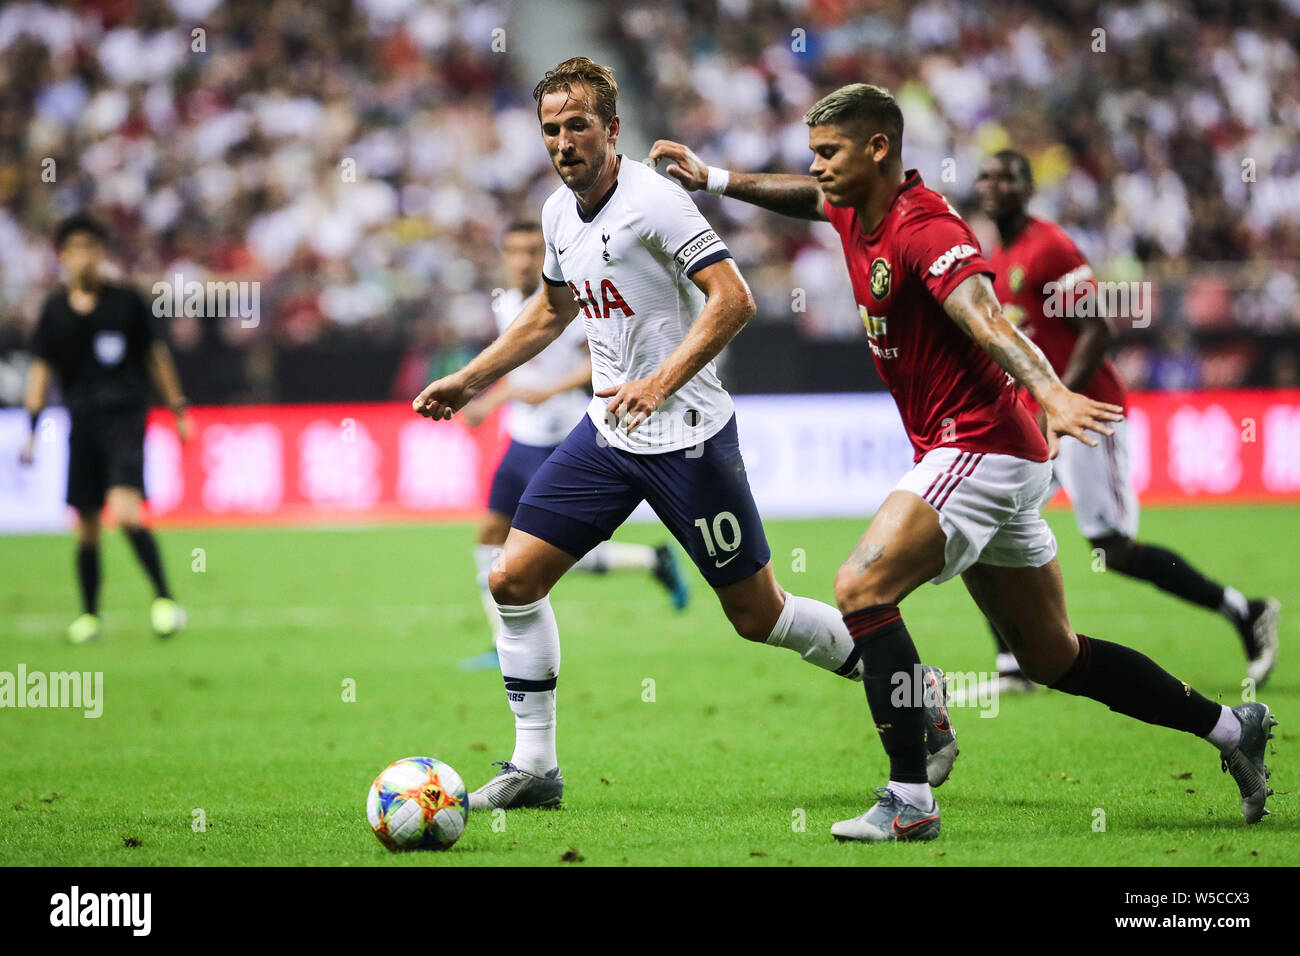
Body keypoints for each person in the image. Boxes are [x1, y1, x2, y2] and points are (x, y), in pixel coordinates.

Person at [649, 82, 1276, 842]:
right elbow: (804, 199)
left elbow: (982, 316)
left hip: (979, 440)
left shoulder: (924, 228)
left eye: (829, 152)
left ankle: (910, 793)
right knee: (1054, 655)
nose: (816, 169)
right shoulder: (851, 203)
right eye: (813, 154)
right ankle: (1232, 729)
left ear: (879, 148)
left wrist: (1050, 390)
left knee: (860, 586)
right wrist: (713, 179)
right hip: (994, 455)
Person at [414, 59, 957, 811]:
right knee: (510, 578)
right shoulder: (556, 216)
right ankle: (534, 767)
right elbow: (550, 310)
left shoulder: (655, 203)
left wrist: (660, 381)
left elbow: (734, 300)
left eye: (578, 126)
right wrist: (470, 379)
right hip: (607, 433)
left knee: (757, 615)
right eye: (550, 130)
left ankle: (906, 683)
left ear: (612, 129)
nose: (563, 142)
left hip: (688, 437)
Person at [965, 149, 1279, 697]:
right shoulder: (1003, 253)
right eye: (986, 176)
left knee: (1110, 546)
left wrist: (1059, 400)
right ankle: (1014, 669)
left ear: (1027, 187)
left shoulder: (1050, 247)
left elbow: (1098, 330)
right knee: (991, 525)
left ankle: (1245, 611)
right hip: (1046, 415)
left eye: (1006, 176)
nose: (992, 185)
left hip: (1089, 413)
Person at [458, 219, 690, 671]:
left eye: (532, 251)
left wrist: (551, 391)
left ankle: (650, 560)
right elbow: (522, 375)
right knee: (490, 538)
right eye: (515, 251)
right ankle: (502, 641)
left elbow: (597, 366)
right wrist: (486, 402)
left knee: (544, 551)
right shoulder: (507, 305)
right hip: (520, 439)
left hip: (561, 437)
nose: (523, 260)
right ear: (505, 256)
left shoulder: (568, 304)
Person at [21, 213, 189, 644]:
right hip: (82, 422)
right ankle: (90, 615)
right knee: (88, 524)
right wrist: (31, 429)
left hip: (125, 419)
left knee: (127, 513)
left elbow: (156, 357)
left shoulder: (126, 302)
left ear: (102, 253)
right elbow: (41, 370)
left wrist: (178, 409)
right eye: (73, 250)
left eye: (90, 248)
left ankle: (165, 600)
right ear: (63, 256)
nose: (82, 258)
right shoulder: (54, 310)